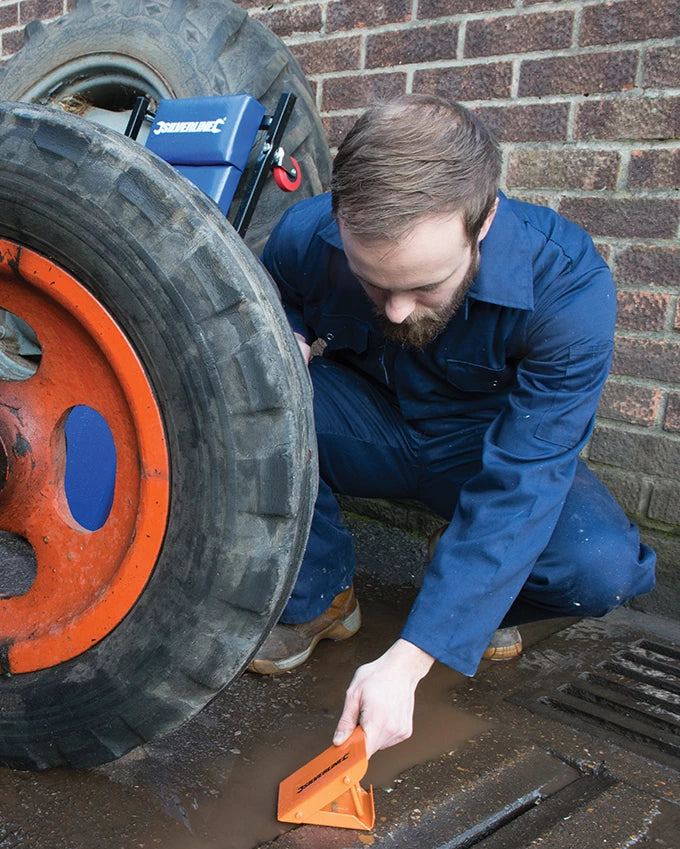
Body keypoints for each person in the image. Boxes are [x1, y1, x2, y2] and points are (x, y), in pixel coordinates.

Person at [250, 94, 656, 756]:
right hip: (364, 420)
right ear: (340, 220)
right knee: (253, 405)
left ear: (483, 221)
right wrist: (289, 336)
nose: (397, 310)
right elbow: (276, 295)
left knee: (599, 568)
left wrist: (412, 658)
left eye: (425, 286)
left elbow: (527, 478)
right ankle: (321, 594)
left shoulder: (568, 287)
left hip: (485, 451)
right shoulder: (305, 236)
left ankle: (470, 590)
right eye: (374, 284)